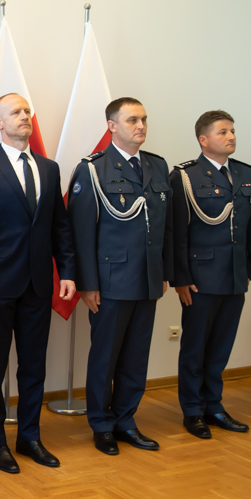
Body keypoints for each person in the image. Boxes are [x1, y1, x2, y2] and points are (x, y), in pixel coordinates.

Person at [0, 93, 75, 473]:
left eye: (27, 111)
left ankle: (29, 438)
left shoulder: (49, 169)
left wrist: (68, 271)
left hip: (39, 285)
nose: (25, 116)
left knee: (34, 367)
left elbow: (60, 226)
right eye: (15, 112)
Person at [68, 97, 173, 456]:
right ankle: (101, 424)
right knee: (106, 357)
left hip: (148, 278)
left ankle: (126, 419)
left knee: (136, 357)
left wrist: (164, 272)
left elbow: (165, 227)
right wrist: (88, 283)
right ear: (112, 126)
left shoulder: (157, 166)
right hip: (111, 280)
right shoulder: (93, 169)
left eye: (143, 119)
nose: (141, 126)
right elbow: (81, 231)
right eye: (132, 120)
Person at [170, 111, 251, 438]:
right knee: (195, 349)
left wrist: (249, 267)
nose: (231, 136)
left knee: (221, 347)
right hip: (200, 277)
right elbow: (177, 231)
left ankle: (214, 406)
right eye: (223, 132)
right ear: (203, 140)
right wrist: (180, 278)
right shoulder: (185, 176)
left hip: (234, 275)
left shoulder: (245, 173)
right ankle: (193, 410)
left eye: (232, 130)